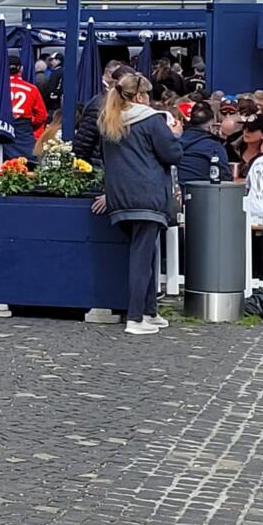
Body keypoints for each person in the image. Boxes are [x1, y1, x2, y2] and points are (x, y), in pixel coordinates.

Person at [97, 71, 183, 337]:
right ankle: (135, 317)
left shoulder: (109, 120)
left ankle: (150, 311)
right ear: (141, 95)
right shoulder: (151, 120)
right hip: (147, 194)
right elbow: (172, 153)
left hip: (120, 195)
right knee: (142, 258)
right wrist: (176, 134)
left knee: (146, 253)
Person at [178, 103, 223, 187]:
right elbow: (225, 176)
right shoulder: (214, 146)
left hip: (176, 193)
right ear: (211, 127)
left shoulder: (176, 141)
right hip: (203, 195)